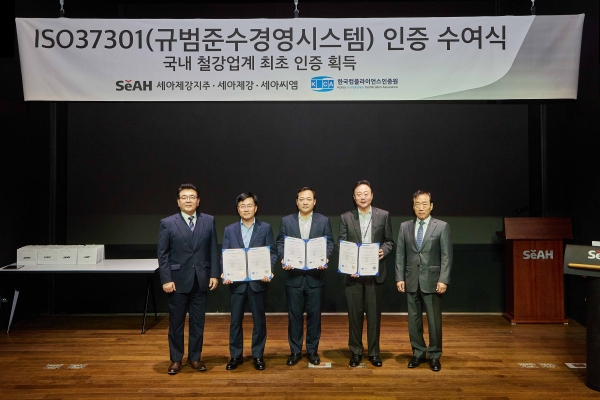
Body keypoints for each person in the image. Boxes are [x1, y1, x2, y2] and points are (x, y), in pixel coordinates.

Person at [157, 183, 219, 375]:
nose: (188, 200)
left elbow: (213, 249)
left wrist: (214, 274)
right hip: (176, 281)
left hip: (201, 280)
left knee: (198, 323)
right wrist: (166, 279)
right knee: (176, 324)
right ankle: (176, 359)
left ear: (198, 201)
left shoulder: (209, 220)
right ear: (178, 201)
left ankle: (195, 358)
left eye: (192, 197)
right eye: (184, 197)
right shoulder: (167, 223)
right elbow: (163, 254)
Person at [339, 180, 394, 368]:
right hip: (353, 276)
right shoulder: (346, 217)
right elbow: (342, 244)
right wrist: (350, 266)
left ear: (372, 195)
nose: (363, 197)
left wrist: (383, 251)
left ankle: (374, 352)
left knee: (374, 316)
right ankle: (355, 352)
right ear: (354, 197)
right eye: (359, 194)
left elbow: (389, 241)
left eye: (366, 193)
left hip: (374, 274)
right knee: (354, 316)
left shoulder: (383, 215)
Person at [395, 190, 452, 372]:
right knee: (413, 320)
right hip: (411, 280)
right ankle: (418, 352)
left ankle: (434, 355)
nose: (421, 208)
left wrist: (443, 279)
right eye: (417, 204)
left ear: (431, 206)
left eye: (424, 204)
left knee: (434, 321)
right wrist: (399, 277)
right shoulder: (405, 227)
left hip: (433, 281)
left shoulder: (442, 226)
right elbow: (400, 254)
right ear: (413, 206)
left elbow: (446, 256)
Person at [276, 187, 334, 366]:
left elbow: (329, 243)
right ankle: (295, 351)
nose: (305, 202)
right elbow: (280, 242)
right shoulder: (287, 221)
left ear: (314, 202)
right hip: (293, 277)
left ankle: (312, 351)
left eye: (309, 199)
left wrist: (325, 257)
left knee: (314, 317)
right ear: (297, 202)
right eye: (302, 199)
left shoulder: (323, 221)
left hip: (316, 277)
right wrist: (284, 257)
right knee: (294, 317)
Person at [221, 193, 277, 371]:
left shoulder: (265, 228)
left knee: (259, 321)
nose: (246, 209)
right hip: (236, 283)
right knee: (235, 321)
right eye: (242, 206)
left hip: (258, 282)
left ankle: (258, 355)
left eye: (249, 205)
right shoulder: (229, 229)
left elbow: (272, 253)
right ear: (238, 209)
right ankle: (235, 356)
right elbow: (225, 254)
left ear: (256, 208)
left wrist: (268, 270)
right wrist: (225, 272)